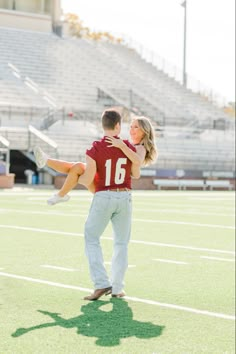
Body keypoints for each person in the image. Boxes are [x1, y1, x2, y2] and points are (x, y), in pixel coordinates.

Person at [34, 115, 157, 205]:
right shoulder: (127, 144)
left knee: (77, 168)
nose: (131, 129)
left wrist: (121, 146)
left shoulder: (140, 148)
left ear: (144, 131)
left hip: (108, 186)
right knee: (76, 167)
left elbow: (137, 165)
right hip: (104, 179)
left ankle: (59, 190)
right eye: (131, 126)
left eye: (136, 127)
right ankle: (48, 165)